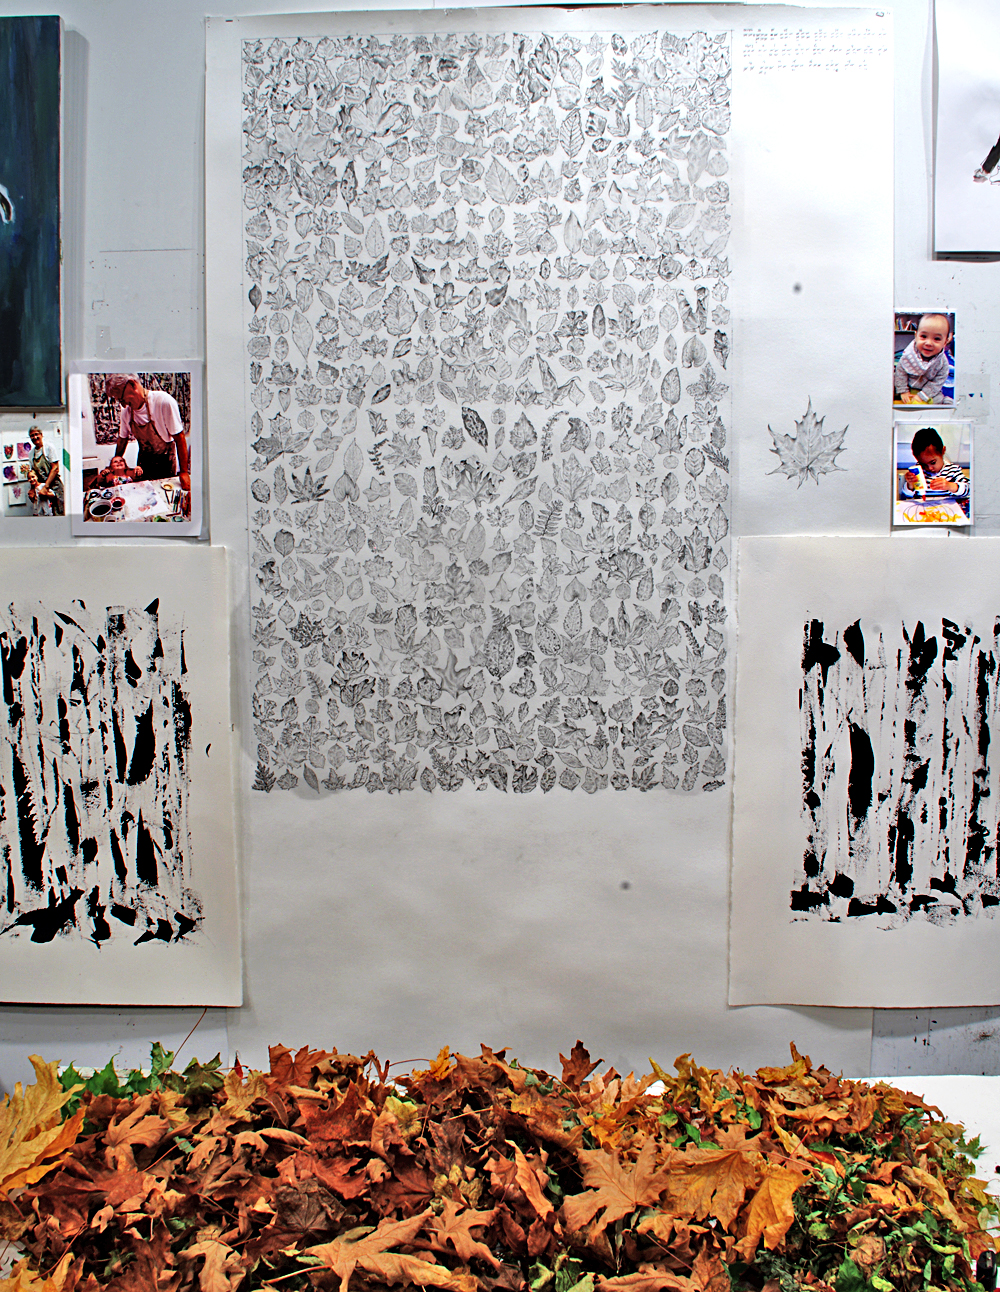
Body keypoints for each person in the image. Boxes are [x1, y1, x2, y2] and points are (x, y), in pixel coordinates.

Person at [105, 373, 191, 486]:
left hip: (165, 462)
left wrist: (184, 472)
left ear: (132, 384)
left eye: (122, 398)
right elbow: (122, 440)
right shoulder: (127, 412)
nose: (123, 405)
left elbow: (179, 438)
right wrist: (113, 467)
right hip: (143, 462)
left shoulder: (163, 401)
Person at [894, 313, 953, 405]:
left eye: (937, 339)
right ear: (916, 336)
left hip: (928, 391)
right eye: (923, 336)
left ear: (945, 342)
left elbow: (937, 382)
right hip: (908, 386)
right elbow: (901, 372)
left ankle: (945, 402)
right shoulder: (908, 355)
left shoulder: (942, 362)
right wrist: (903, 390)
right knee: (892, 388)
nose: (928, 343)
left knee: (938, 399)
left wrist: (922, 395)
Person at [901, 426, 969, 499]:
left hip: (946, 505)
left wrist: (949, 486)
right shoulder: (918, 472)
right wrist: (910, 485)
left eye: (933, 462)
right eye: (923, 465)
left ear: (943, 451)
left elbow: (969, 489)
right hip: (923, 505)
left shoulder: (953, 470)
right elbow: (907, 495)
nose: (929, 468)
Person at [27, 424, 64, 515]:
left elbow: (55, 469)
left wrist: (46, 487)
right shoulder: (31, 454)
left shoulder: (49, 447)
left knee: (59, 513)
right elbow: (33, 473)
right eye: (32, 435)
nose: (35, 437)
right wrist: (32, 489)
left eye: (36, 434)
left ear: (41, 434)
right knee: (45, 513)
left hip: (55, 486)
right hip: (41, 489)